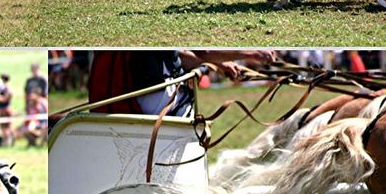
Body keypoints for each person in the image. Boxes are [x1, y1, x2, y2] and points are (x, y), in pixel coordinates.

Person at [88, 50, 278, 117]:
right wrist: (249, 54)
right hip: (153, 91)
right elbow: (204, 53)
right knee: (190, 119)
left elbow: (178, 56)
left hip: (151, 88)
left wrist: (219, 64)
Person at [0, 73, 15, 147]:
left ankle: (8, 143)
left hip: (6, 110)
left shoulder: (8, 89)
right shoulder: (2, 88)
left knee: (7, 127)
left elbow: (4, 99)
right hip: (3, 110)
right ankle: (7, 142)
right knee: (4, 127)